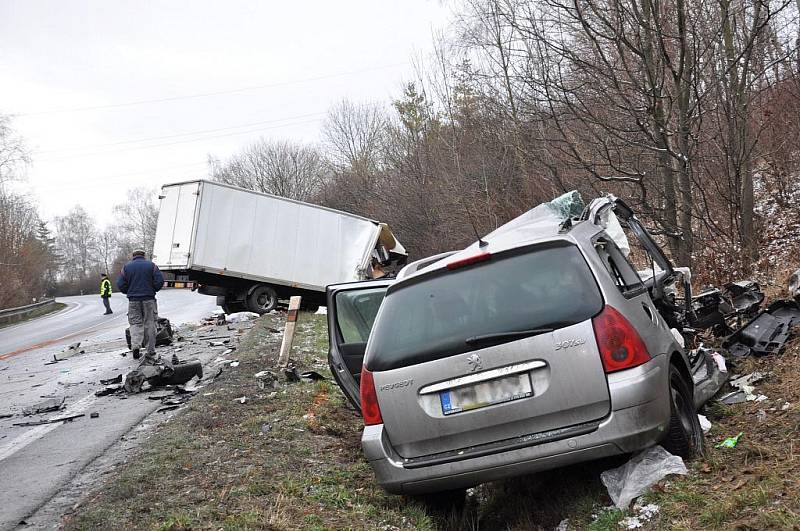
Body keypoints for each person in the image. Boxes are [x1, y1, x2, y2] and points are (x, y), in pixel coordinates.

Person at [117, 249, 164, 363]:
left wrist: (129, 291)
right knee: (150, 323)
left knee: (135, 324)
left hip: (133, 300)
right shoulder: (152, 266)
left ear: (133, 256)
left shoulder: (126, 267)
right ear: (144, 256)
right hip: (149, 299)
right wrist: (153, 289)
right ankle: (150, 350)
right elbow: (160, 281)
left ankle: (136, 347)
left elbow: (120, 284)